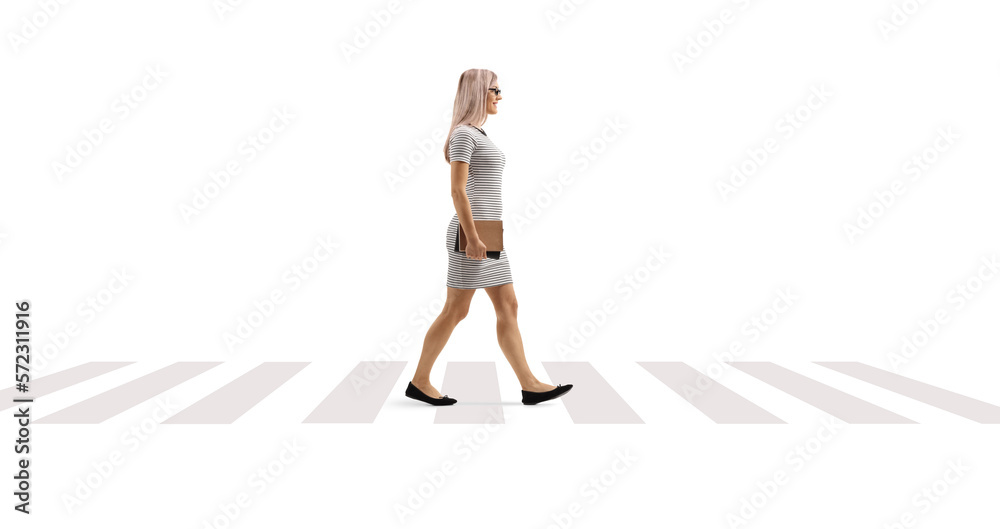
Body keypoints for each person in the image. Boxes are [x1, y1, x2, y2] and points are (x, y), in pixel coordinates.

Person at [404, 69, 573, 407]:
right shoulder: (464, 135)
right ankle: (420, 381)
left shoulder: (480, 134)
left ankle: (530, 385)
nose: (499, 95)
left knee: (508, 305)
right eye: (494, 89)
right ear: (478, 92)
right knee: (456, 309)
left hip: (489, 232)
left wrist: (486, 235)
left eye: (499, 90)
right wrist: (473, 237)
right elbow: (457, 190)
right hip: (472, 234)